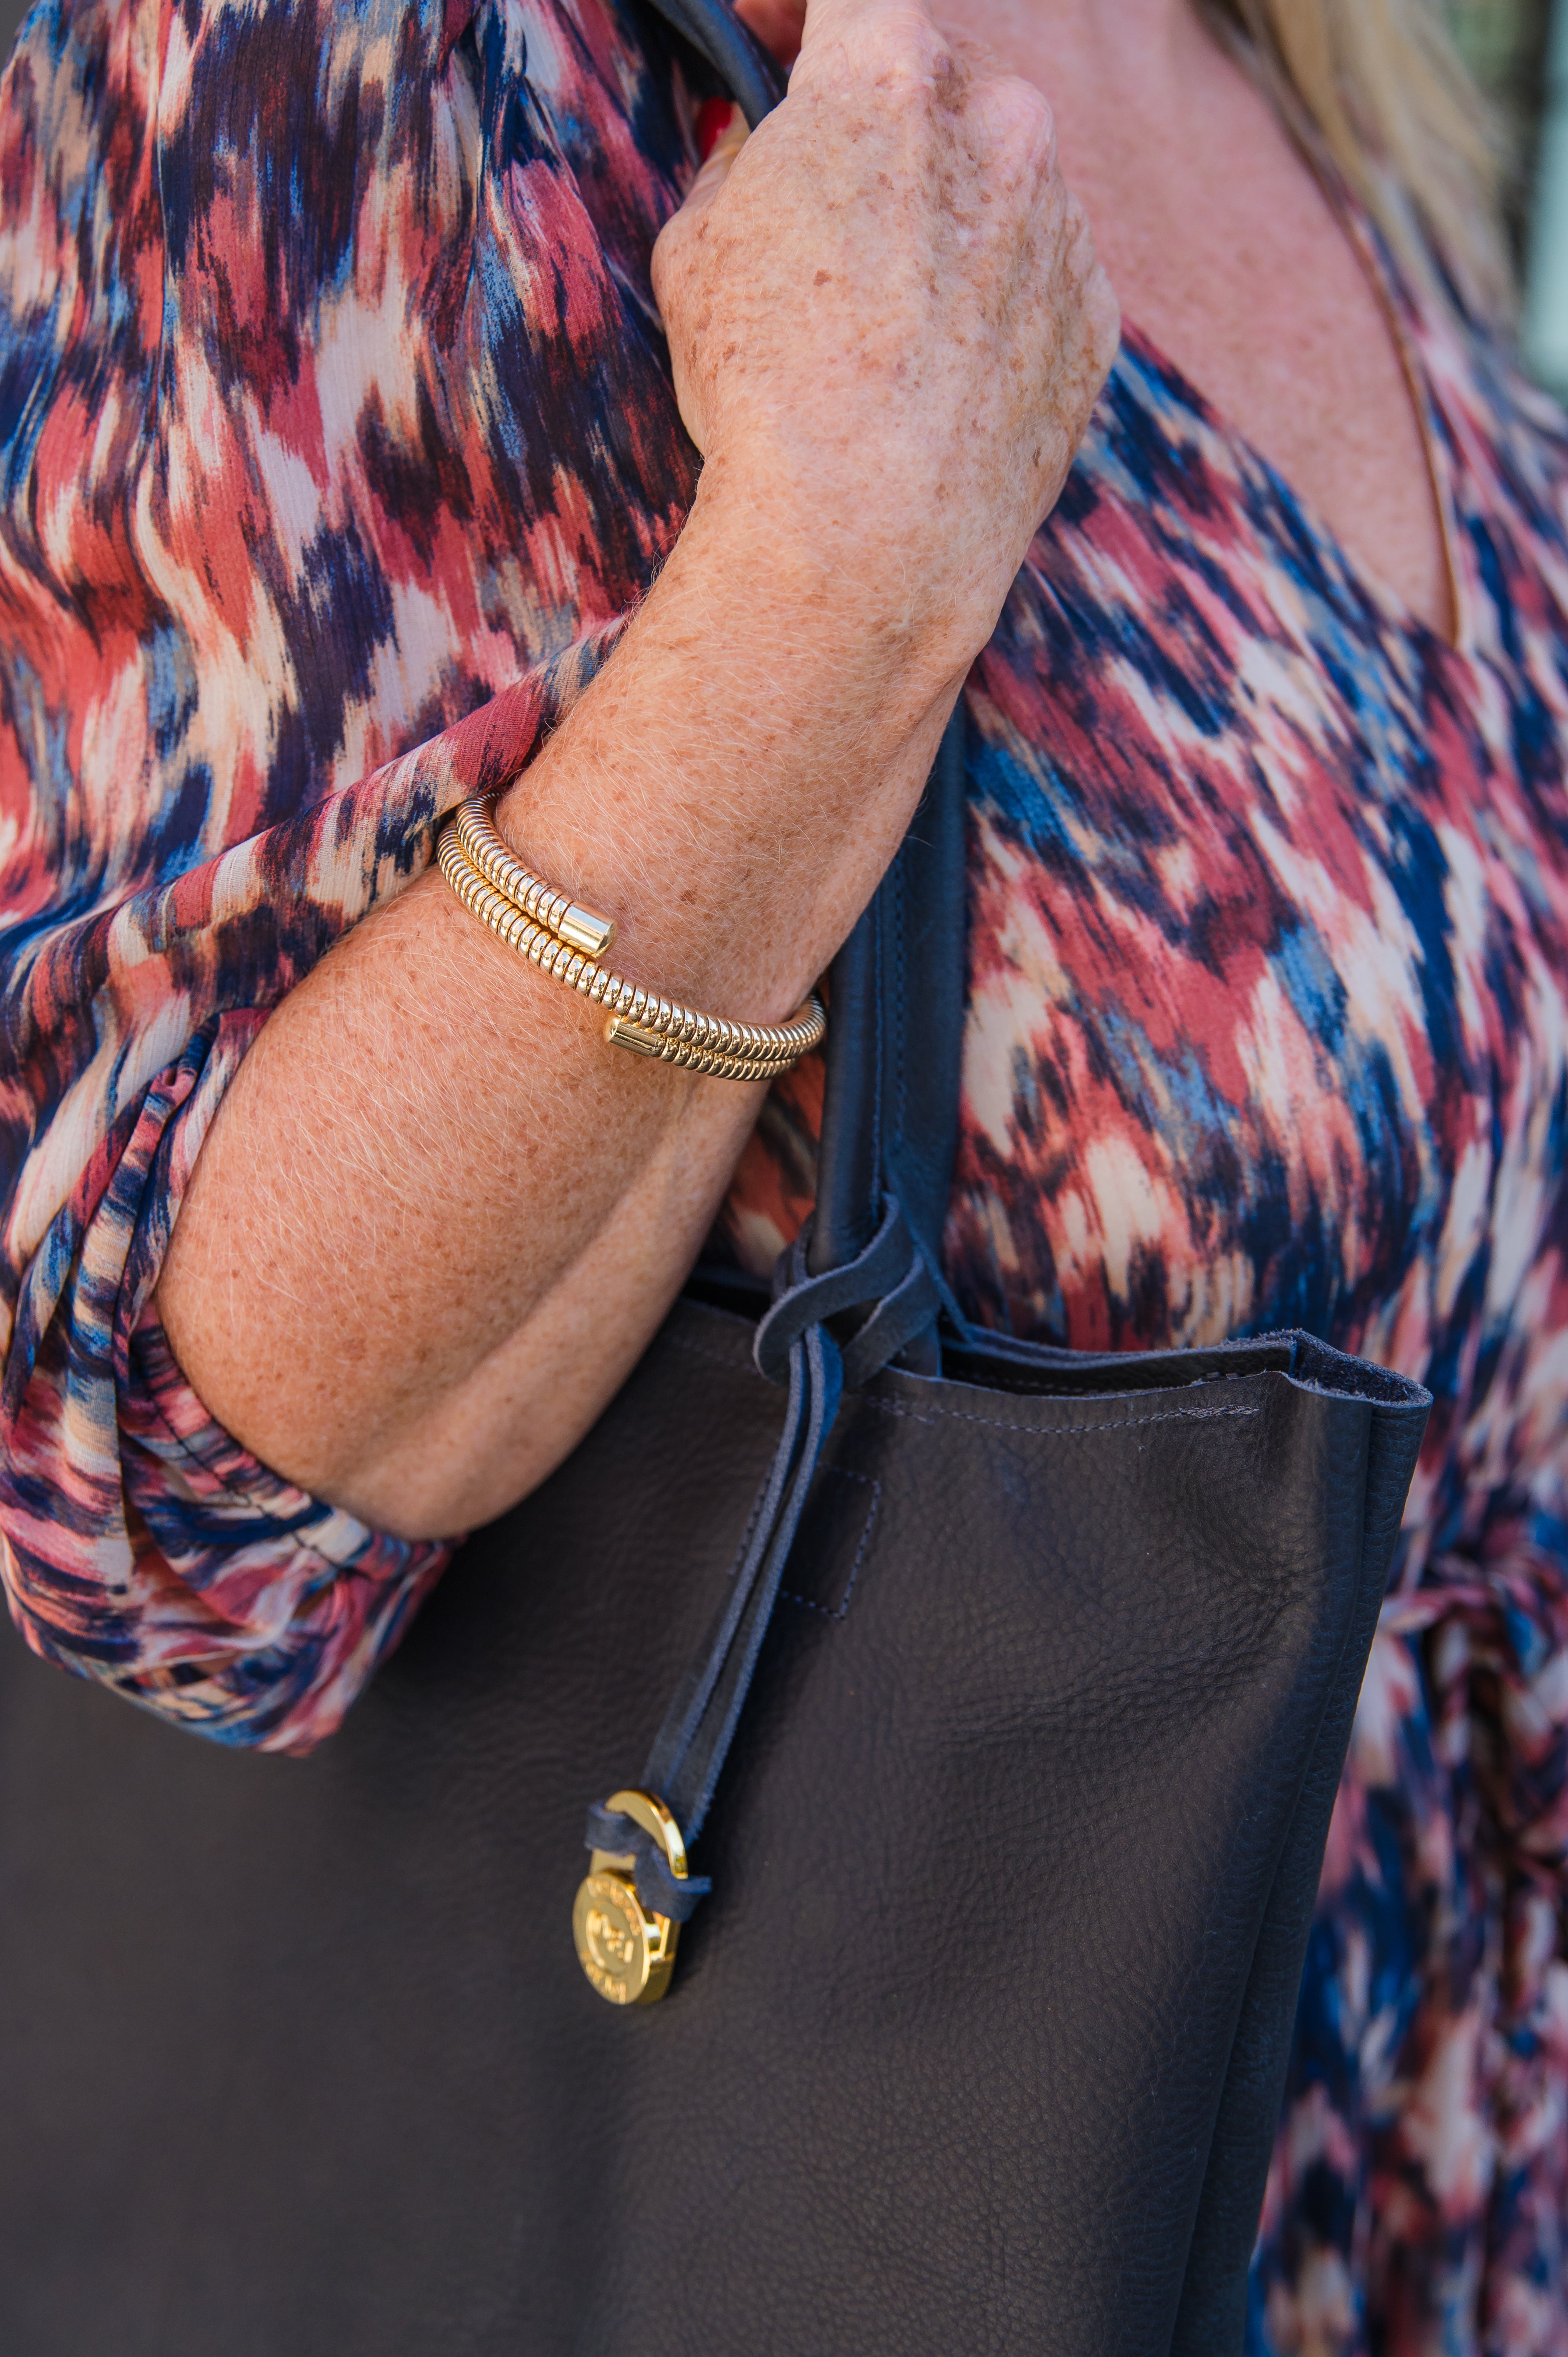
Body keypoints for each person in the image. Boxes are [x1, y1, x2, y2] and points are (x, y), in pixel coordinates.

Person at [0, 0, 1563, 2342]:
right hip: (868, 2189)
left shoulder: (1321, 69)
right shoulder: (323, 62)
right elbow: (169, 1493)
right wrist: (840, 582)